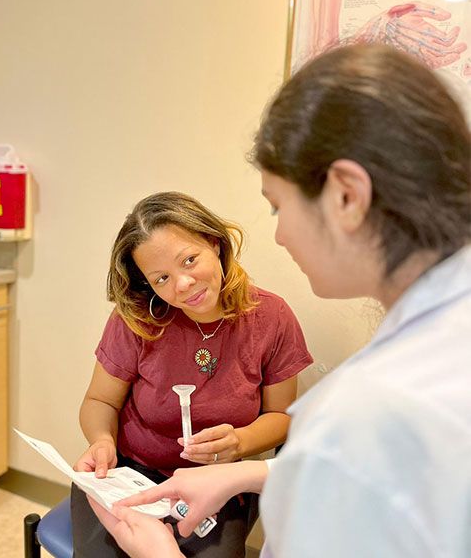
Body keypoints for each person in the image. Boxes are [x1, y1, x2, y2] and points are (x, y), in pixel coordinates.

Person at [96, 44, 471, 557]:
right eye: (160, 277)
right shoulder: (443, 342)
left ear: (346, 196)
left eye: (278, 208)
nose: (281, 237)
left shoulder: (374, 408)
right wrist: (261, 472)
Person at [71, 191, 313, 557]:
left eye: (189, 260)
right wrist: (102, 440)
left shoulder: (272, 317)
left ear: (214, 243)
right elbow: (100, 400)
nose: (182, 285)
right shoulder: (136, 319)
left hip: (218, 482)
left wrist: (240, 443)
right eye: (162, 278)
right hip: (130, 474)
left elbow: (281, 417)